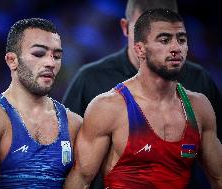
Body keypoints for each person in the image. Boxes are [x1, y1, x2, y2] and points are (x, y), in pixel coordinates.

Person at [63, 1, 222, 188]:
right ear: (140, 49)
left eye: (181, 39)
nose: (176, 48)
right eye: (164, 40)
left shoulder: (199, 106)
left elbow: (218, 178)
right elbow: (81, 178)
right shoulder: (109, 106)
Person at [0, 18, 82, 188]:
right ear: (12, 60)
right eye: (39, 54)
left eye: (57, 56)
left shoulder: (74, 124)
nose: (50, 63)